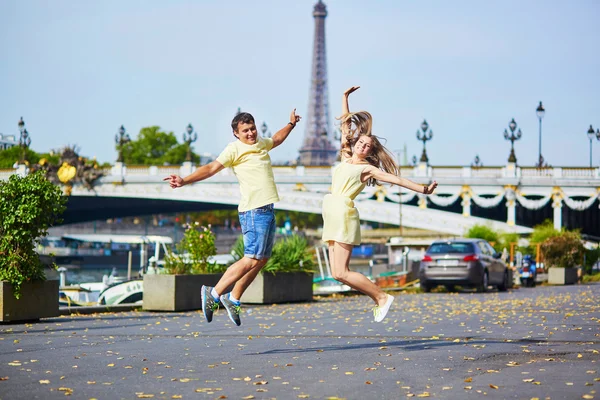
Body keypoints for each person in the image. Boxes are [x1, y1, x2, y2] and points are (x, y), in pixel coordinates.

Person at [164, 109, 301, 326]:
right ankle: (215, 293)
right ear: (236, 133)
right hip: (254, 211)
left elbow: (276, 139)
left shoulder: (261, 143)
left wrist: (291, 124)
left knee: (261, 260)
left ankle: (234, 298)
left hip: (267, 209)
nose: (250, 133)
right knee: (251, 258)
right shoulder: (234, 149)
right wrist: (184, 180)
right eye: (245, 130)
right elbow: (211, 168)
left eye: (252, 128)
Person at [322, 86, 438, 322]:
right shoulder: (345, 156)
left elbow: (397, 179)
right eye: (361, 143)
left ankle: (381, 297)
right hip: (331, 214)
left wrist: (423, 190)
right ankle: (379, 298)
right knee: (336, 273)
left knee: (342, 271)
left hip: (343, 214)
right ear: (356, 143)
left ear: (370, 151)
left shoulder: (367, 169)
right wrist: (345, 98)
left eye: (367, 146)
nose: (362, 147)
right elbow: (346, 124)